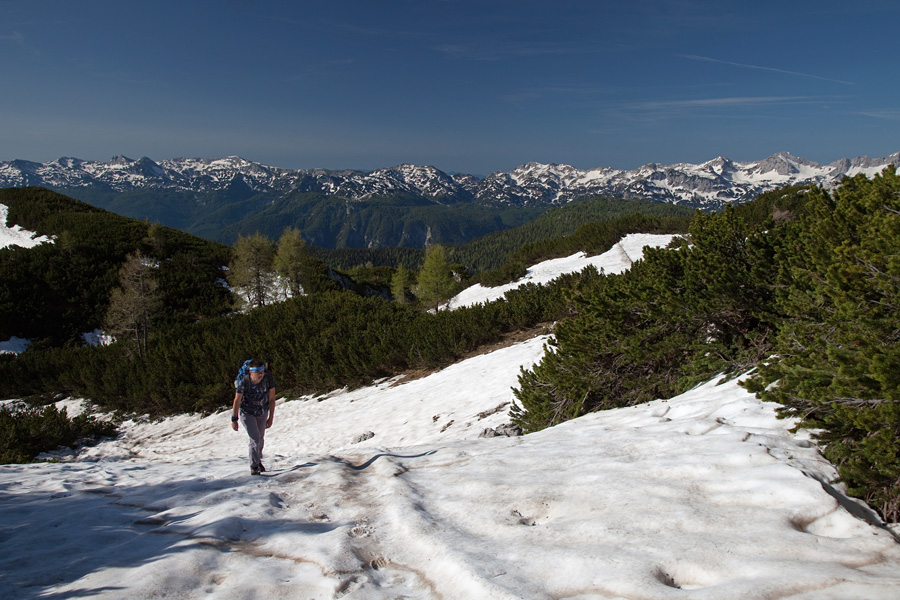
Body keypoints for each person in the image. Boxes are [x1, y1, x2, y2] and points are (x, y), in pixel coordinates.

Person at [231, 359, 276, 475]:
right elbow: (237, 400)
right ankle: (254, 466)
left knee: (260, 438)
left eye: (262, 372)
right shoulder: (244, 381)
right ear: (251, 372)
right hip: (247, 413)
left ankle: (257, 460)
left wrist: (271, 417)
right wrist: (234, 419)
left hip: (262, 412)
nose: (261, 375)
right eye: (258, 373)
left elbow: (271, 399)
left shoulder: (268, 379)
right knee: (255, 439)